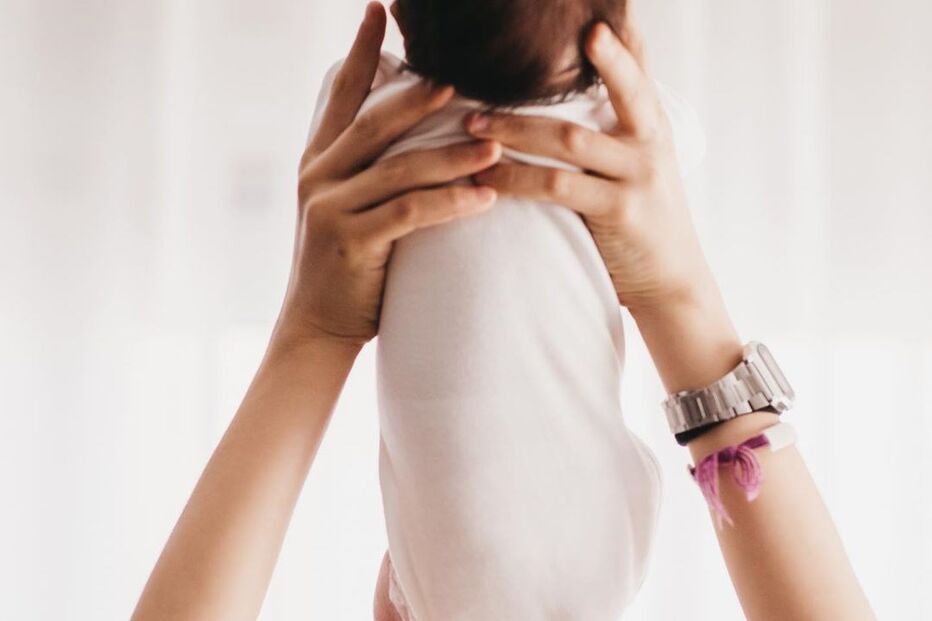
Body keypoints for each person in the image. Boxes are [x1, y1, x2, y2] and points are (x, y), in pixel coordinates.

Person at [131, 3, 876, 620]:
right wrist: (679, 295)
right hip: (540, 563)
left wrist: (312, 336)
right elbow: (677, 141)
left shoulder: (378, 114)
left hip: (450, 571)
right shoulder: (596, 128)